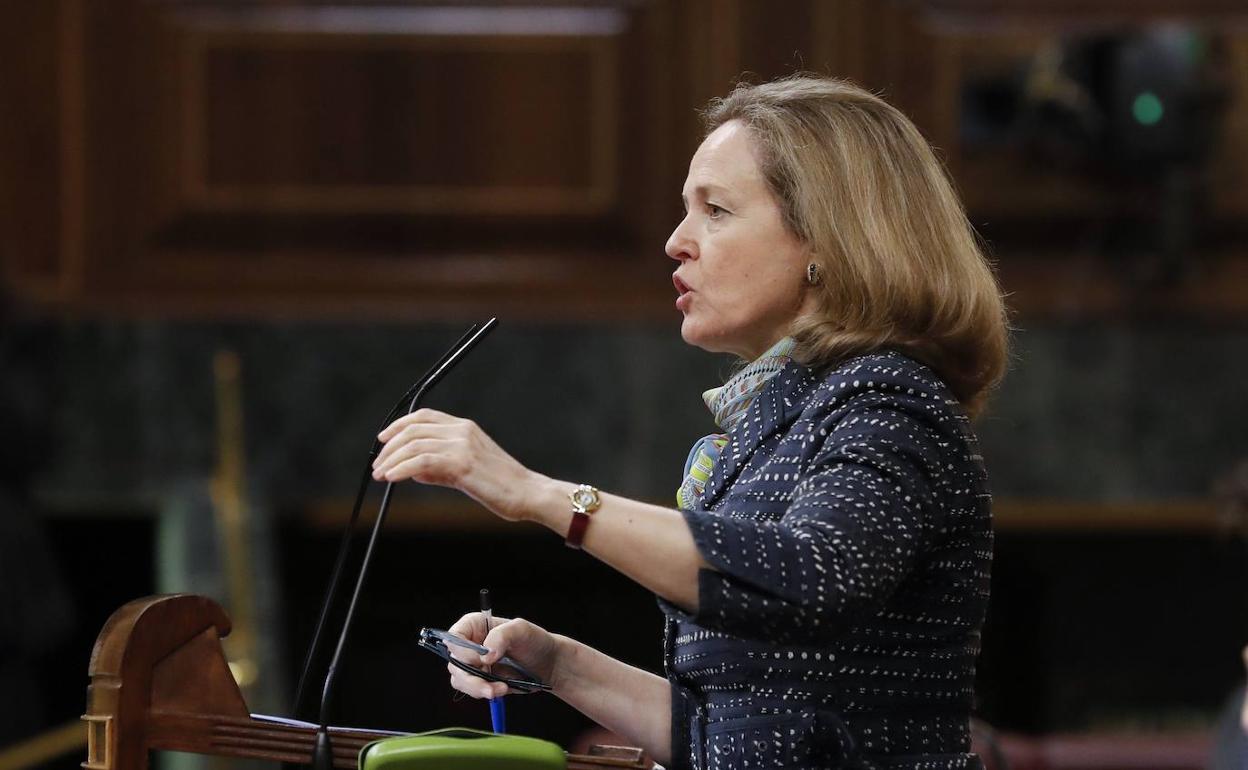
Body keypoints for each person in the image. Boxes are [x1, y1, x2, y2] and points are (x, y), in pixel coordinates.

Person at [372, 75, 1009, 769]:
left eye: (716, 211)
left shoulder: (890, 399)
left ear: (827, 238)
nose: (676, 242)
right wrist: (556, 663)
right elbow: (729, 732)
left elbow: (812, 580)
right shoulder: (776, 424)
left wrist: (541, 496)